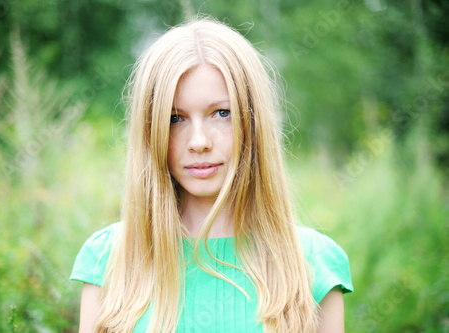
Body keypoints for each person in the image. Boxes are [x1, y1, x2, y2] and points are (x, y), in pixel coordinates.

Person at [70, 17, 353, 333]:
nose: (199, 142)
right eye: (175, 118)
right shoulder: (108, 258)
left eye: (222, 113)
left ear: (254, 122)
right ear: (150, 131)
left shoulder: (313, 263)